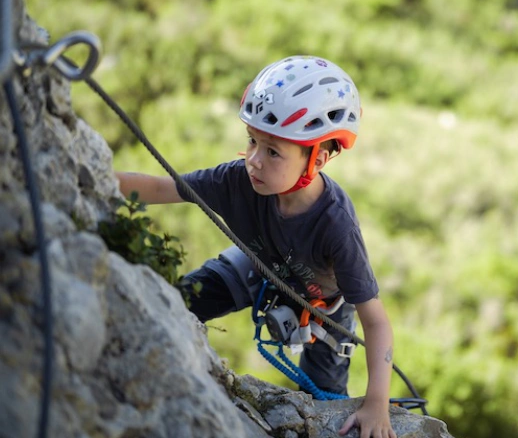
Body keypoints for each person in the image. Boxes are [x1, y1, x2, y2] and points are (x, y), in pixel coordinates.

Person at [116, 55, 397, 438]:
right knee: (180, 302)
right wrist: (94, 173)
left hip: (322, 309)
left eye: (273, 151)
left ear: (320, 157)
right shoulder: (238, 180)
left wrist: (376, 404)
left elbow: (376, 320)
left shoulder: (335, 226)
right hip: (257, 266)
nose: (253, 161)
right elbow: (162, 187)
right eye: (252, 141)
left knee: (328, 403)